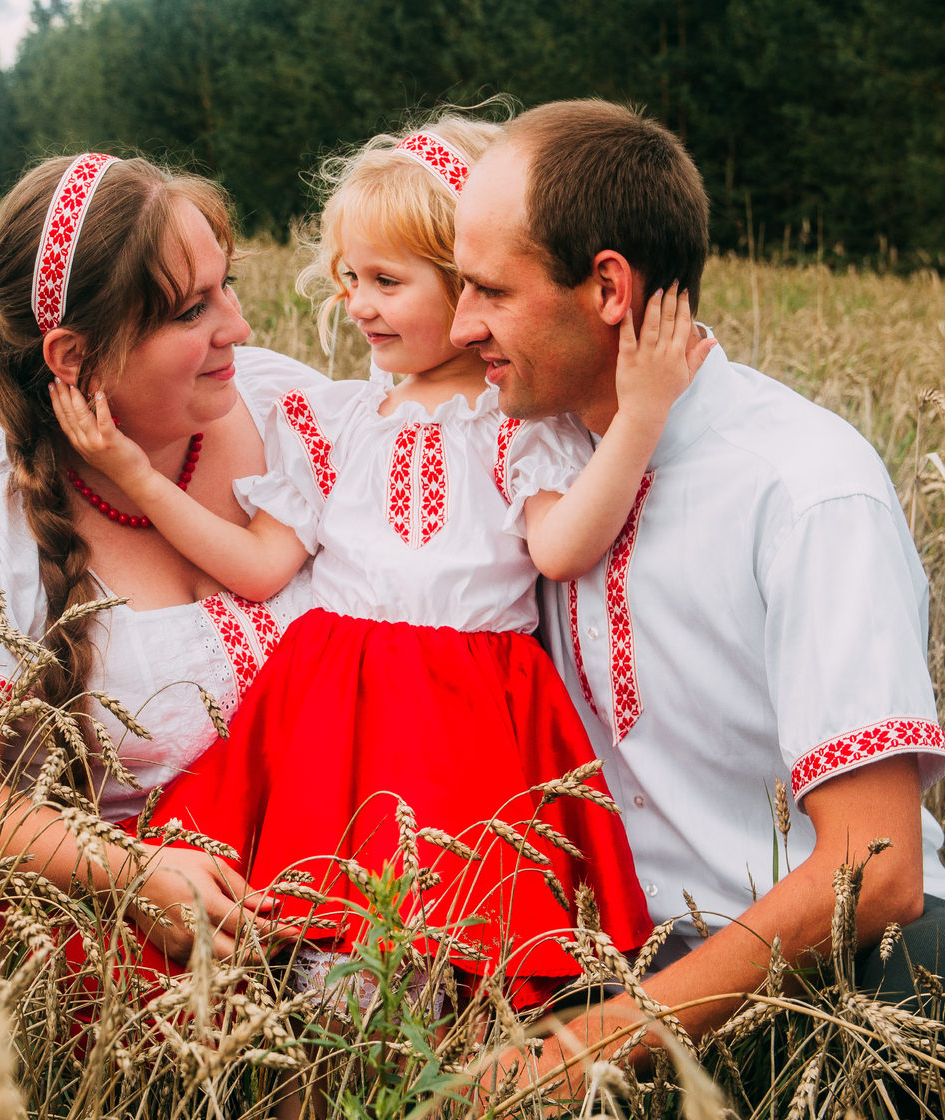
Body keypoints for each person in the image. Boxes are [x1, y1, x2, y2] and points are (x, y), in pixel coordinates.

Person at [450, 98, 945, 1114]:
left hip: (821, 965)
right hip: (609, 955)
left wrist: (601, 1040)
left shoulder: (805, 485)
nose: (464, 329)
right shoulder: (523, 463)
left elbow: (879, 862)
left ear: (607, 287)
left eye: (490, 291)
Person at [51, 115, 713, 1010]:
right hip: (332, 706)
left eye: (388, 282)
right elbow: (257, 565)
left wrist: (639, 418)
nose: (359, 304)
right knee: (303, 935)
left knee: (443, 950)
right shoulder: (336, 422)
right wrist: (135, 474)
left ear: (465, 288)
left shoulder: (515, 424)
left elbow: (560, 547)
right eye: (351, 279)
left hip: (462, 719)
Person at [0, 152, 323, 969]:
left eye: (227, 285)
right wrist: (130, 875)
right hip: (98, 941)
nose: (237, 328)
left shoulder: (296, 413)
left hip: (324, 892)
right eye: (189, 311)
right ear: (74, 357)